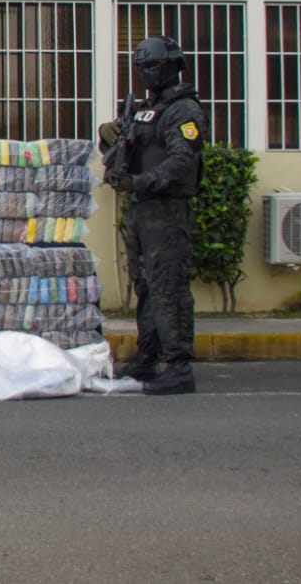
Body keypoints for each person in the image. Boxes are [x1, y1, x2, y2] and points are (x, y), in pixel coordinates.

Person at [99, 36, 207, 395]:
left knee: (169, 287)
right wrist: (110, 140)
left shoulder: (183, 110)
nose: (146, 74)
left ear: (172, 66)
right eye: (141, 67)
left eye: (153, 67)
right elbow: (125, 146)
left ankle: (178, 366)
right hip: (142, 208)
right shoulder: (145, 109)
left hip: (166, 208)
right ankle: (148, 356)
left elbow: (181, 160)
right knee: (144, 284)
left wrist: (141, 181)